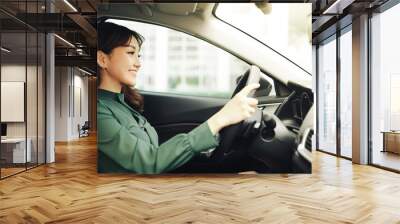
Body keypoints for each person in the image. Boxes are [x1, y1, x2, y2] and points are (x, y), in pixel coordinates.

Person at [97, 21, 260, 174]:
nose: (138, 63)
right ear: (102, 59)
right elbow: (149, 162)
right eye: (131, 53)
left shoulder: (122, 104)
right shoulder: (99, 112)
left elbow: (158, 155)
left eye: (139, 55)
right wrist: (220, 119)